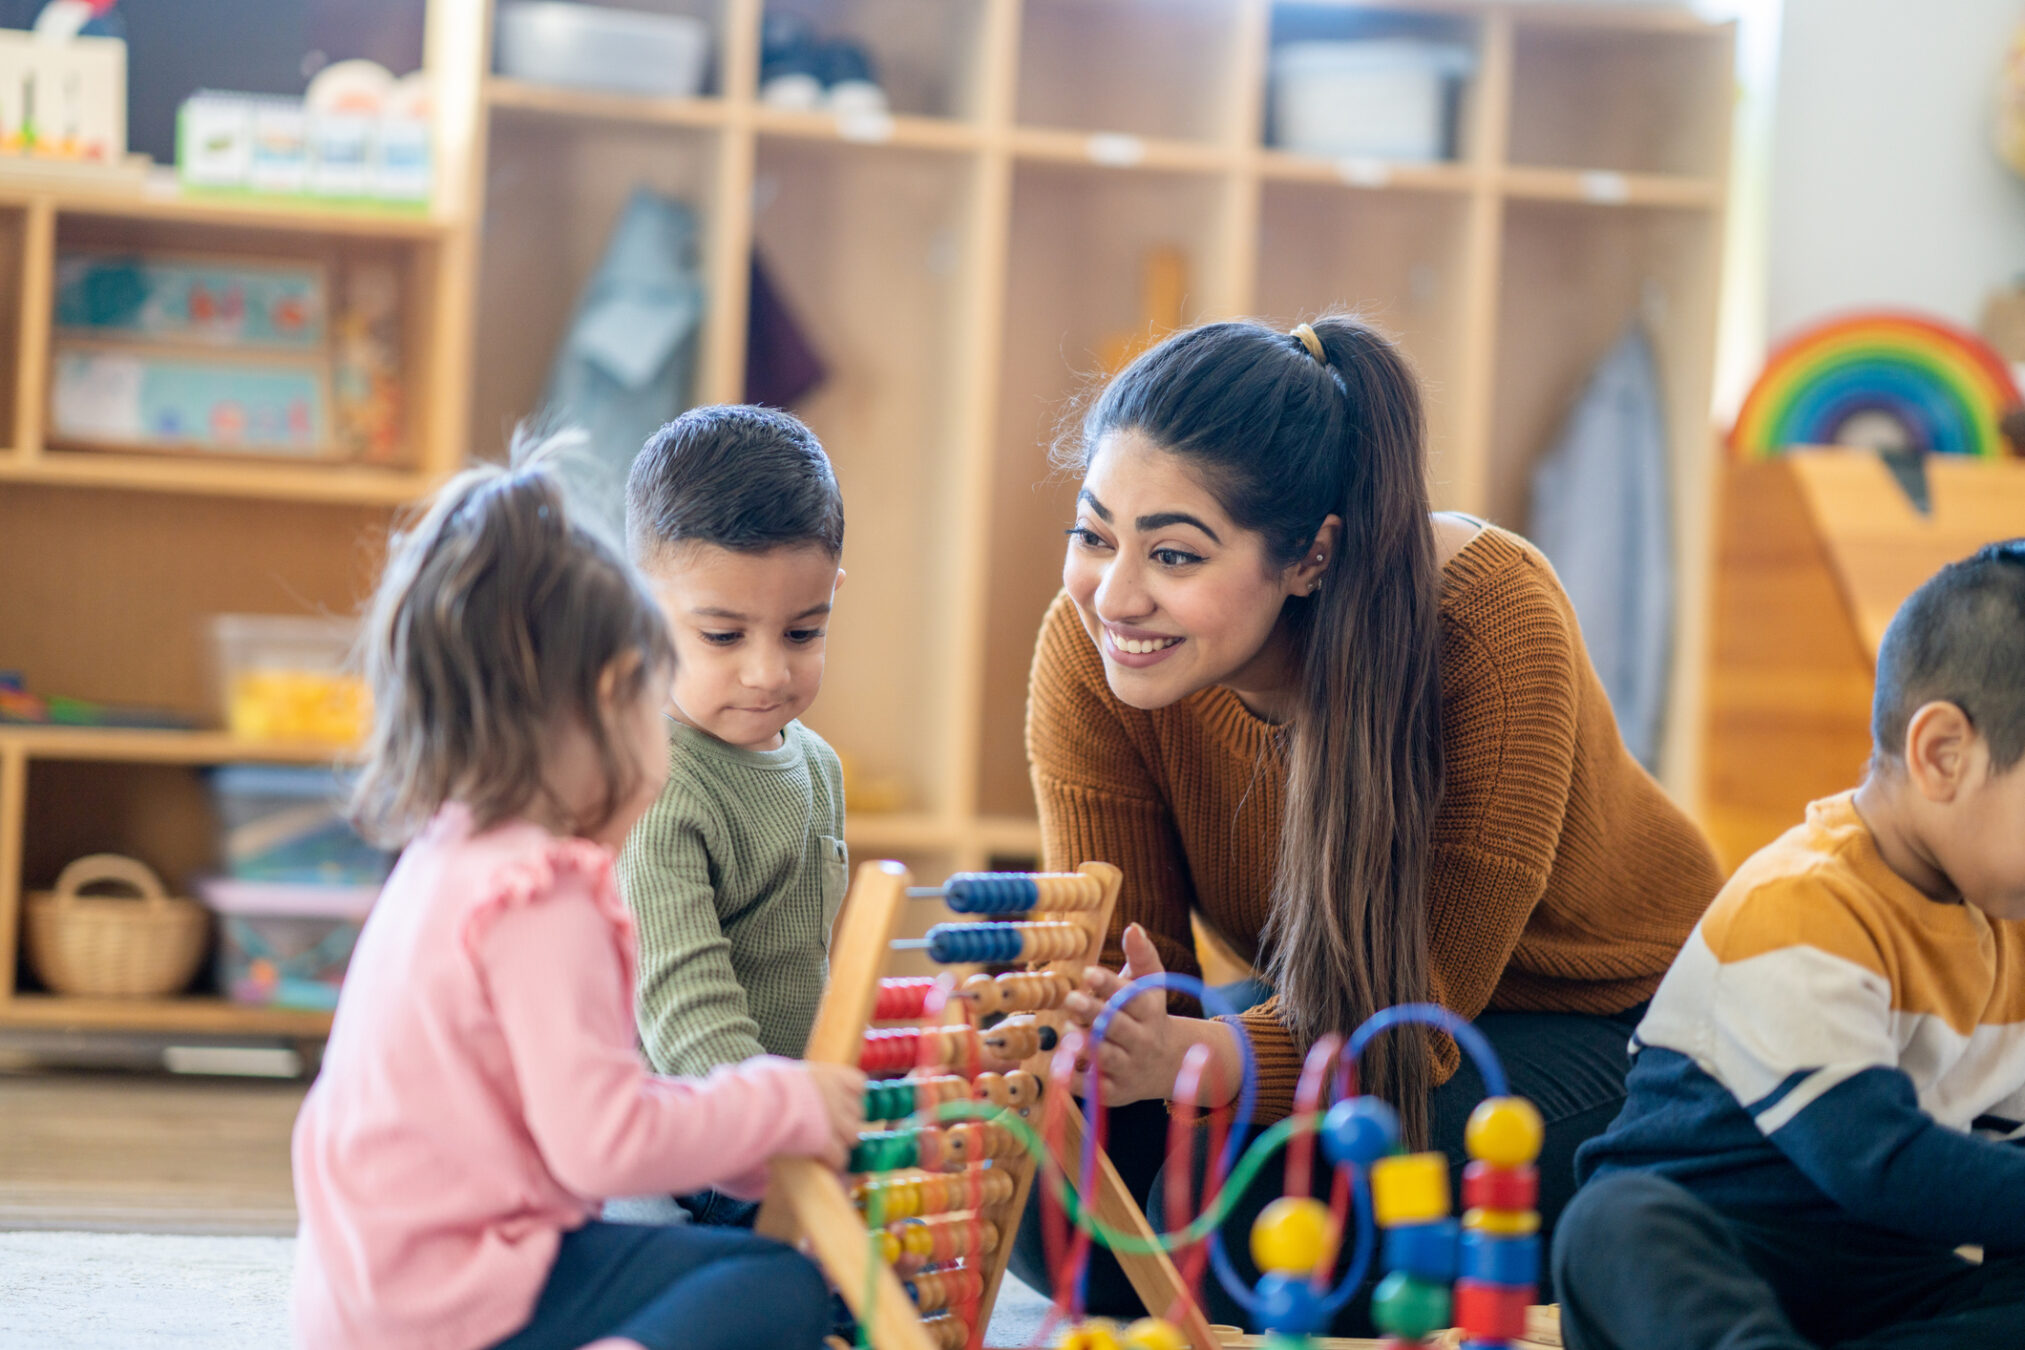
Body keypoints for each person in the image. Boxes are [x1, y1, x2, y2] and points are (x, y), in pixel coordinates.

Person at [1012, 315, 1722, 1331]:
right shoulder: (1093, 649)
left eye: (1173, 555)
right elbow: (1143, 984)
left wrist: (1198, 1059)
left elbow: (1413, 1032)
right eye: (1094, 534)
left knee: (1320, 1192)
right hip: (1341, 1002)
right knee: (1059, 1188)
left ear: (1310, 558)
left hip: (1616, 1030)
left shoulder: (1488, 620)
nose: (1114, 594)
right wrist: (1100, 1037)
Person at [290, 453, 863, 1350]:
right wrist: (781, 1105)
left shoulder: (454, 846)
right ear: (610, 701)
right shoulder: (540, 893)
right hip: (450, 1306)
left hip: (384, 1293)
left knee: (755, 1276)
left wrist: (760, 1144)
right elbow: (605, 1143)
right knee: (778, 1295)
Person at [1554, 540, 2025, 1350]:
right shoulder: (1800, 903)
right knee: (1611, 1224)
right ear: (1942, 755)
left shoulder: (2007, 930)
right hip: (1726, 1242)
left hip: (1877, 1277)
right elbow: (1874, 1160)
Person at [616, 406, 850, 1227]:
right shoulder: (656, 786)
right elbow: (684, 1007)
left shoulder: (816, 766)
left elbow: (813, 970)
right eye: (721, 636)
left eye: (802, 631)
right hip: (690, 1145)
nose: (766, 672)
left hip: (773, 1125)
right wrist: (776, 1134)